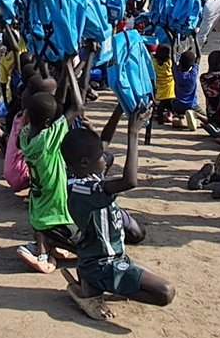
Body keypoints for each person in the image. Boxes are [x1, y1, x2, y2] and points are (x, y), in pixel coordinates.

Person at [59, 111, 177, 320]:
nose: (106, 159)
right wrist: (133, 134)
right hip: (102, 264)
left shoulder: (83, 173)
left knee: (143, 271)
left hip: (108, 258)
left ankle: (92, 285)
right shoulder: (82, 189)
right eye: (101, 157)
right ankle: (92, 287)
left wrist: (118, 110)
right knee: (165, 292)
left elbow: (102, 144)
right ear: (85, 162)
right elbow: (129, 181)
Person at [16, 91, 74, 274]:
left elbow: (59, 104)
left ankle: (45, 246)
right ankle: (43, 253)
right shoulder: (48, 140)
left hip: (38, 201)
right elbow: (77, 107)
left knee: (42, 224)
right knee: (83, 242)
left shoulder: (25, 137)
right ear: (48, 122)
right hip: (55, 200)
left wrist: (66, 67)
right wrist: (75, 70)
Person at [152, 45, 175, 123]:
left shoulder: (154, 62)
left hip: (159, 87)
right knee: (170, 105)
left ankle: (160, 119)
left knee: (160, 105)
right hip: (170, 89)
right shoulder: (169, 62)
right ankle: (171, 115)